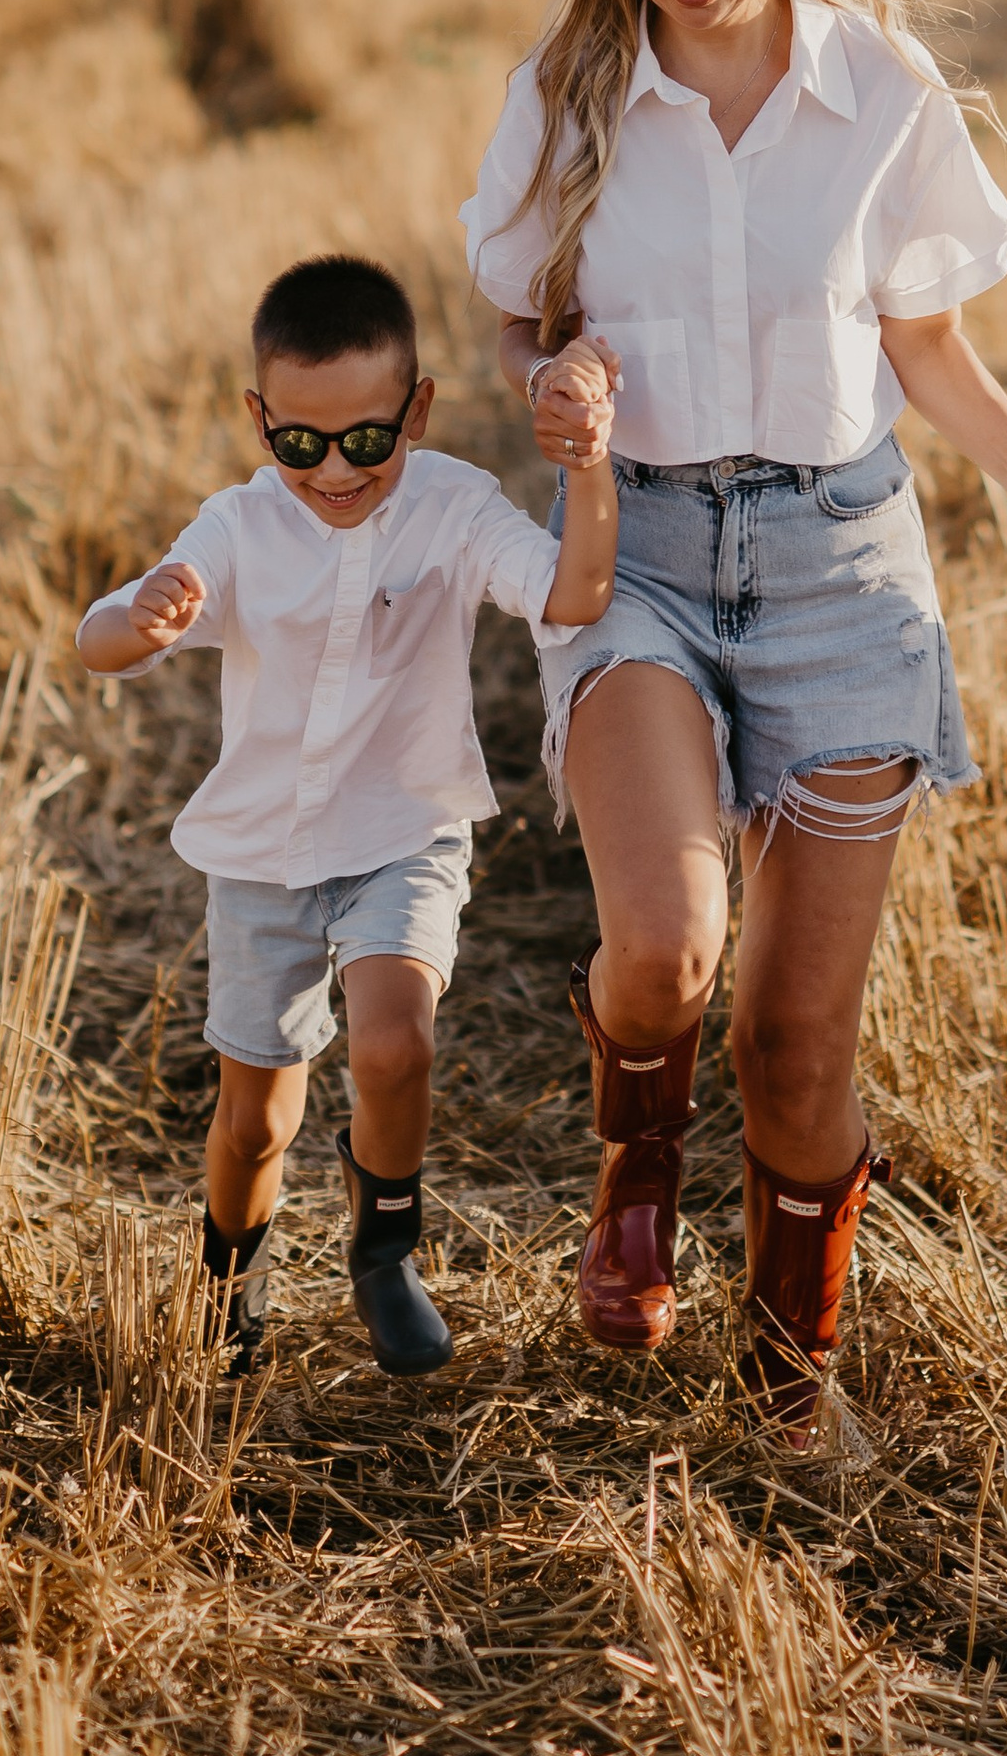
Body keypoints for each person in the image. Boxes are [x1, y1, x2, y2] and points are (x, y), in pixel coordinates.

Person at [460, 0, 1007, 1443]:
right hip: (641, 557)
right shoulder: (569, 93)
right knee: (664, 944)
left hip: (843, 570)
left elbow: (926, 340)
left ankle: (785, 1379)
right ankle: (634, 1163)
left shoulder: (880, 91)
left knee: (796, 1045)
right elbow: (526, 317)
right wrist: (558, 379)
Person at [76, 252, 617, 1378]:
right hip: (262, 853)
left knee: (394, 1039)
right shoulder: (236, 526)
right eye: (300, 443)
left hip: (402, 832)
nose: (333, 469)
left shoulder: (455, 506)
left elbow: (572, 594)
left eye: (367, 439)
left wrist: (592, 464)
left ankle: (383, 1250)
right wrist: (143, 616)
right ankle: (230, 1275)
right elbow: (100, 642)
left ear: (416, 410)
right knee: (254, 1124)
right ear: (259, 420)